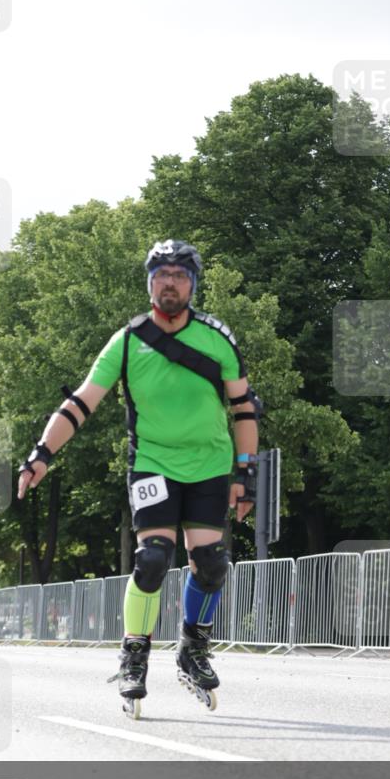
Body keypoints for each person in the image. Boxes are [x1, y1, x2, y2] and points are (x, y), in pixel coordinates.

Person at [17, 239, 260, 711]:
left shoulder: (217, 338)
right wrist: (41, 453)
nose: (170, 282)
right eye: (161, 274)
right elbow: (82, 401)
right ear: (150, 283)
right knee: (152, 560)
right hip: (152, 463)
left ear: (193, 284)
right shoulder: (127, 340)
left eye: (180, 274)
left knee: (210, 564)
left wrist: (245, 473)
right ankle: (135, 654)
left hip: (210, 465)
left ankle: (193, 648)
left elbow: (245, 407)